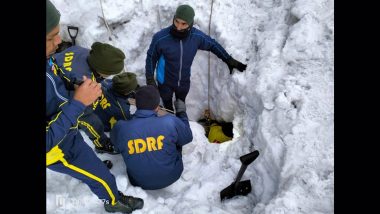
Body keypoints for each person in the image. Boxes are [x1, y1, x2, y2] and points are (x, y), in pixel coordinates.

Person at [45, 1, 143, 213]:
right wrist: (79, 103)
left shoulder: (48, 59)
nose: (59, 40)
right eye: (51, 37)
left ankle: (84, 171)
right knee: (101, 175)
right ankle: (113, 201)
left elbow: (56, 70)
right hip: (57, 147)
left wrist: (74, 84)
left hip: (64, 125)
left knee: (87, 166)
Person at [145, 4, 247, 112]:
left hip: (183, 83)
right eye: (176, 21)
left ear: (190, 24)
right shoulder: (161, 38)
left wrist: (228, 59)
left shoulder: (196, 37)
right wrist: (150, 80)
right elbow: (151, 58)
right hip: (165, 82)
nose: (178, 27)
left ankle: (180, 120)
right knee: (167, 106)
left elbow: (213, 45)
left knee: (181, 107)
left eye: (183, 24)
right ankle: (169, 113)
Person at [111, 85, 193, 190]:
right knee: (176, 138)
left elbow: (116, 147)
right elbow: (187, 137)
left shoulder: (121, 127)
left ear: (136, 104)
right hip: (172, 175)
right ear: (157, 106)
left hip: (138, 180)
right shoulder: (169, 121)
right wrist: (181, 112)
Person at [53, 41, 127, 154]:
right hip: (57, 95)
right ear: (101, 70)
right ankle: (101, 144)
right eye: (109, 74)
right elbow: (84, 109)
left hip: (54, 71)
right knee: (92, 121)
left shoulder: (81, 51)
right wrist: (94, 100)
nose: (110, 76)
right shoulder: (84, 80)